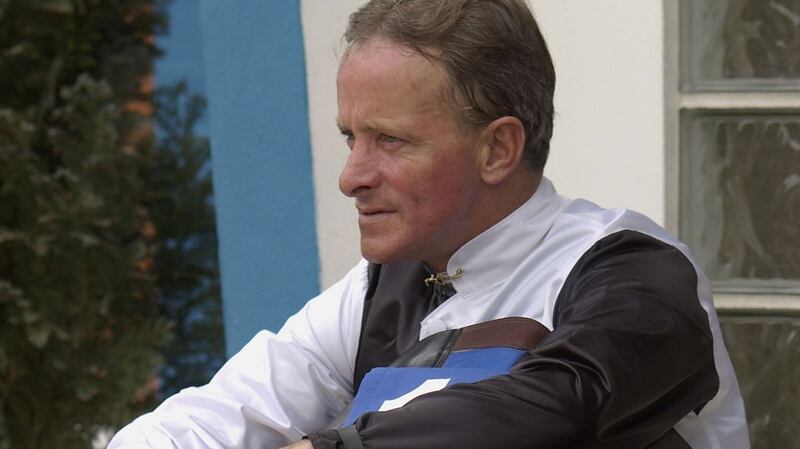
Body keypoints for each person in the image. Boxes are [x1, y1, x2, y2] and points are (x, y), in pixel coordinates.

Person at [108, 1, 751, 448]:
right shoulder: (379, 287)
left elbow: (551, 411)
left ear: (497, 149)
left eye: (389, 140)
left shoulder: (633, 270)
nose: (351, 177)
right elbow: (220, 414)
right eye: (351, 138)